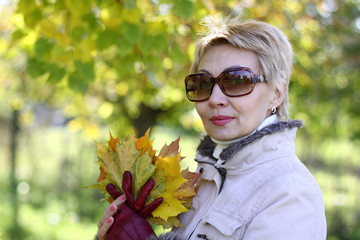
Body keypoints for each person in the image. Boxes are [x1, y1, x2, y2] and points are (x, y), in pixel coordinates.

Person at [96, 15, 327, 240]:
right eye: (203, 83)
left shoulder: (290, 193)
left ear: (277, 94)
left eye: (237, 80)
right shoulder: (201, 179)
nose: (215, 98)